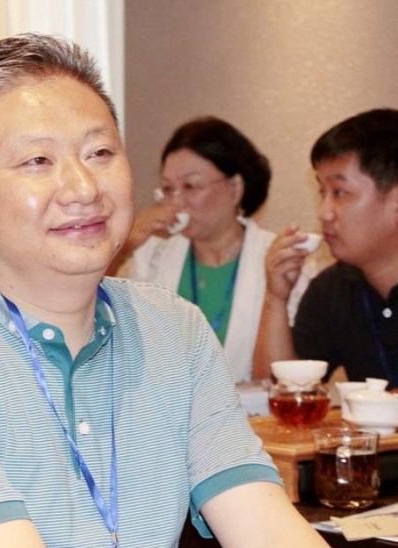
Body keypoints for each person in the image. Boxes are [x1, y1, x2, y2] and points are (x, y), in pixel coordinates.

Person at [0, 33, 359, 548]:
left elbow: (271, 537)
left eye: (100, 154)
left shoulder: (174, 332)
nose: (83, 188)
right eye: (37, 161)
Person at [253, 108, 398, 407]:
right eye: (322, 192)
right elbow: (276, 396)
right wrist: (276, 298)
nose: (324, 213)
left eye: (340, 192)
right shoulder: (332, 287)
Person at [110, 117, 310, 382]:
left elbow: (289, 377)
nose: (176, 202)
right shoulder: (151, 255)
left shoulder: (279, 259)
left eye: (191, 186)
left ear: (235, 188)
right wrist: (125, 244)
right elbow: (97, 315)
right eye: (168, 189)